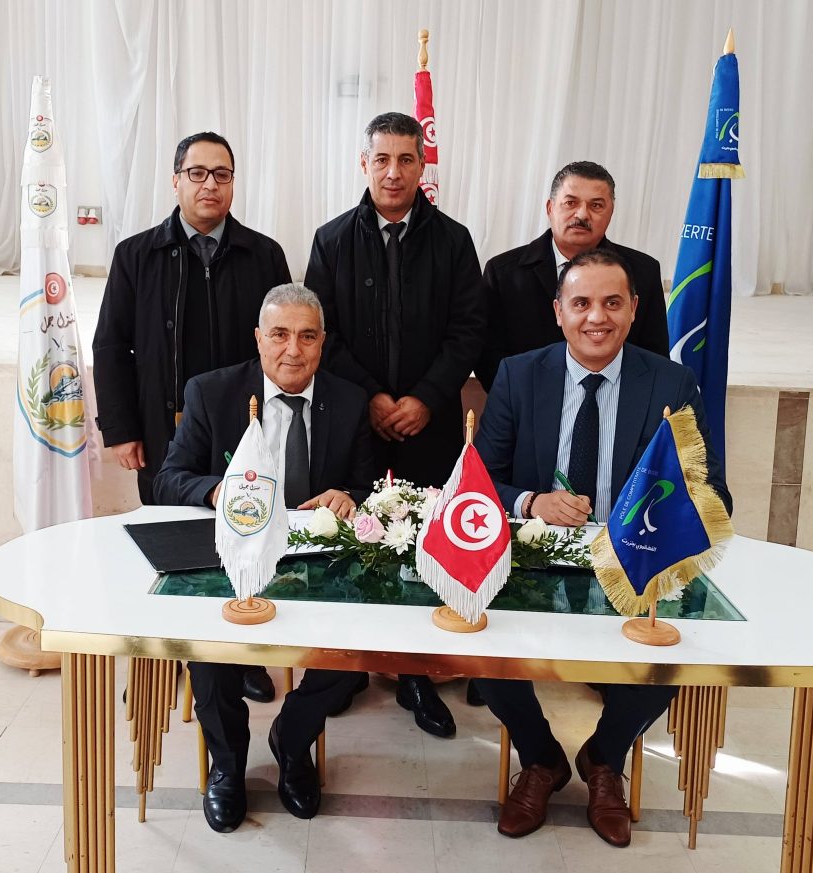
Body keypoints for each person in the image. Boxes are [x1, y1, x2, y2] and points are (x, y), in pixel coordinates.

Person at [474, 248, 732, 844]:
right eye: (582, 303)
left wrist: (647, 519)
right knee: (479, 641)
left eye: (613, 303)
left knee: (677, 651)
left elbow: (713, 492)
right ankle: (541, 758)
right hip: (537, 556)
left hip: (634, 559)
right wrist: (530, 502)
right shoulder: (519, 374)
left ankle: (605, 758)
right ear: (559, 311)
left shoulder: (670, 382)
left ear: (634, 309)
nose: (597, 317)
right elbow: (479, 480)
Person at [154, 284, 374, 833]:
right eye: (279, 335)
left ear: (323, 342)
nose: (293, 351)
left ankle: (291, 743)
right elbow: (169, 478)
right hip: (235, 557)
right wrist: (221, 491)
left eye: (307, 337)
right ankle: (227, 766)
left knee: (354, 653)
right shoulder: (212, 392)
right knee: (209, 658)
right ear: (258, 339)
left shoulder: (350, 401)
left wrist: (348, 496)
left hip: (313, 565)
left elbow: (369, 486)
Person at [304, 111, 486, 739]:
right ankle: (346, 666)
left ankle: (415, 670)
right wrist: (373, 400)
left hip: (428, 425)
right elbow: (322, 333)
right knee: (352, 536)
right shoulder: (331, 240)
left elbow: (468, 330)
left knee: (421, 543)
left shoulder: (454, 241)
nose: (393, 172)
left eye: (406, 159)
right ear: (364, 164)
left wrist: (425, 399)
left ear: (421, 166)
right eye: (381, 159)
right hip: (354, 423)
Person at [94, 131, 289, 703]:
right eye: (197, 173)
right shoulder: (137, 254)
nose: (210, 184)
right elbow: (111, 346)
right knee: (173, 541)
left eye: (221, 174)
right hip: (161, 427)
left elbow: (279, 342)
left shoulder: (263, 254)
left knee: (245, 533)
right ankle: (172, 653)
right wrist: (122, 429)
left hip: (242, 428)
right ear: (175, 180)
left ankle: (240, 656)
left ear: (233, 183)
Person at [476, 161, 669, 391]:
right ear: (550, 208)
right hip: (526, 404)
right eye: (570, 203)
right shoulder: (504, 273)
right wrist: (524, 400)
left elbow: (653, 358)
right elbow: (488, 357)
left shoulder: (643, 272)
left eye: (596, 205)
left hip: (618, 405)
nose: (582, 214)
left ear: (611, 213)